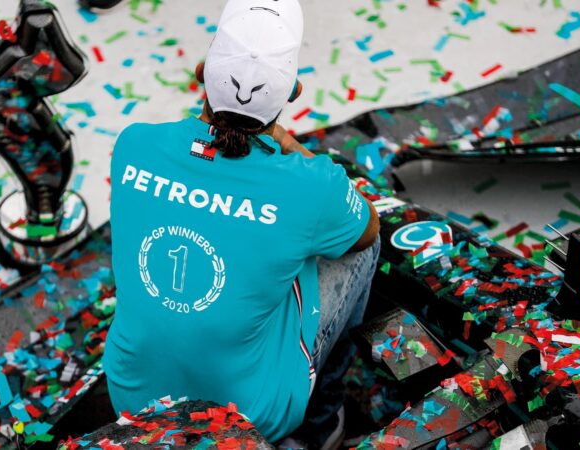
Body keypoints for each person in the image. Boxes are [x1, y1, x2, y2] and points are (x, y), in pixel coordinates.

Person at [103, 0, 380, 446]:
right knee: (357, 249)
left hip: (134, 400)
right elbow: (366, 228)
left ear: (200, 71)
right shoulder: (312, 186)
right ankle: (322, 425)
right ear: (292, 93)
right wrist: (289, 145)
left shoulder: (133, 144)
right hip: (249, 420)